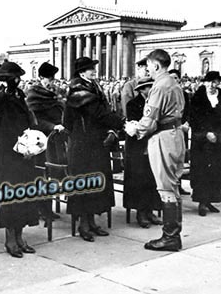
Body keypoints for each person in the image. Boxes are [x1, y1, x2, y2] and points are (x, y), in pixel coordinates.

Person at [125, 49, 185, 252]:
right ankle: (173, 233)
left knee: (166, 187)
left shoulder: (159, 86)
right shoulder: (174, 83)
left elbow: (149, 121)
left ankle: (170, 237)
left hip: (163, 138)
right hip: (176, 135)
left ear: (156, 66)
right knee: (174, 185)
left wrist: (134, 129)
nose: (147, 69)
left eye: (148, 66)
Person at [64, 57, 124, 242]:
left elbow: (103, 109)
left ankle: (91, 221)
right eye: (90, 69)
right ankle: (84, 224)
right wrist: (120, 122)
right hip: (82, 143)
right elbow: (98, 111)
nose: (94, 71)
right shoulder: (78, 89)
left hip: (93, 141)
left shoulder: (92, 86)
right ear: (82, 73)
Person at [0, 61, 39, 258]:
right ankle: (10, 238)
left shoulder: (18, 94)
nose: (18, 81)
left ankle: (20, 236)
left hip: (23, 151)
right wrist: (3, 87)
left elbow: (26, 120)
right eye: (15, 78)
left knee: (25, 193)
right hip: (8, 153)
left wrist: (29, 145)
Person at [26, 62, 65, 223]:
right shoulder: (33, 94)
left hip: (55, 139)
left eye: (53, 78)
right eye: (49, 78)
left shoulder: (53, 93)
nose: (52, 81)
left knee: (52, 173)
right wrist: (52, 126)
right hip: (41, 140)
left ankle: (47, 207)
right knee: (41, 174)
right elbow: (34, 120)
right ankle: (41, 208)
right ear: (41, 78)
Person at [123, 77, 162, 228]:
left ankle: (150, 210)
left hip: (153, 144)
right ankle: (141, 212)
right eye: (149, 87)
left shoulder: (155, 104)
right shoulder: (133, 104)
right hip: (138, 146)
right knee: (139, 179)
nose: (152, 90)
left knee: (152, 178)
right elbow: (135, 125)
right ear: (142, 90)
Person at [189, 71, 221, 216]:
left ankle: (210, 200)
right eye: (210, 82)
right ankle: (202, 201)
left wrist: (217, 135)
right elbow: (193, 118)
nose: (212, 85)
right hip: (201, 140)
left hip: (217, 140)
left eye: (215, 82)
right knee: (202, 170)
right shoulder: (198, 97)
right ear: (205, 82)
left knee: (215, 170)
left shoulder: (220, 96)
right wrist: (206, 134)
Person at [168, 69, 191, 195]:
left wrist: (186, 123)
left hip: (182, 129)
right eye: (171, 78)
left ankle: (179, 184)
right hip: (170, 130)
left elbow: (188, 111)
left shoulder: (184, 94)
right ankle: (171, 186)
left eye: (176, 78)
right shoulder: (166, 94)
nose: (174, 80)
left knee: (181, 159)